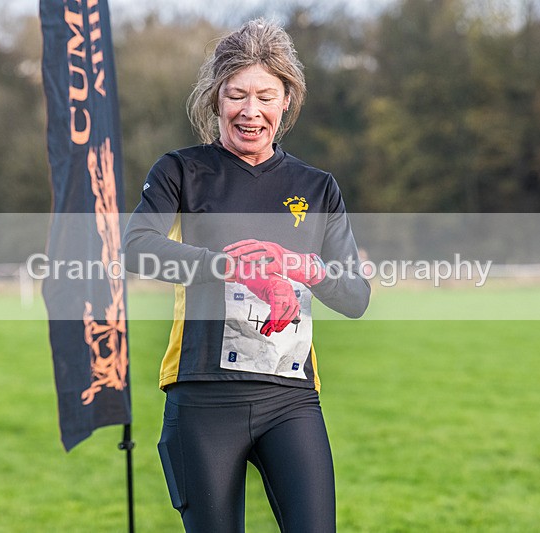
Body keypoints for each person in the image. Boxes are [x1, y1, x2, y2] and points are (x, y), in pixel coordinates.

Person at [125, 18, 370, 533]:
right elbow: (136, 249)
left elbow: (355, 296)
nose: (250, 110)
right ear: (216, 100)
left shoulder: (318, 188)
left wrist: (300, 267)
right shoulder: (180, 171)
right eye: (236, 94)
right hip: (202, 396)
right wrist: (227, 265)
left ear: (287, 101)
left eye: (265, 95)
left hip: (292, 398)